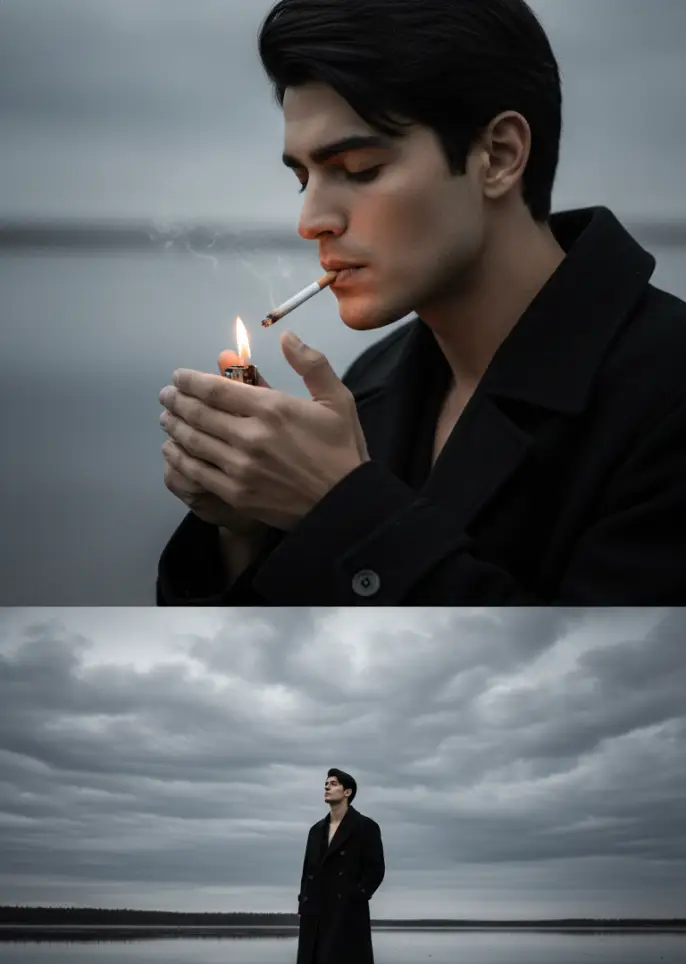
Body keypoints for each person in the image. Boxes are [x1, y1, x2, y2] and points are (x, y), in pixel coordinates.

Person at [156, 0, 686, 605]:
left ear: (500, 155)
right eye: (303, 179)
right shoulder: (373, 384)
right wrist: (246, 529)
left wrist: (339, 509)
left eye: (359, 168)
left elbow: (600, 664)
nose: (310, 221)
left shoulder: (666, 395)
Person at [295, 770, 385, 964]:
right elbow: (308, 870)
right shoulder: (316, 830)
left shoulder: (365, 826)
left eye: (333, 784)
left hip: (349, 907)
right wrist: (304, 901)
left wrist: (358, 895)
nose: (327, 787)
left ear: (347, 792)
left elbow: (376, 869)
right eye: (326, 784)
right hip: (320, 906)